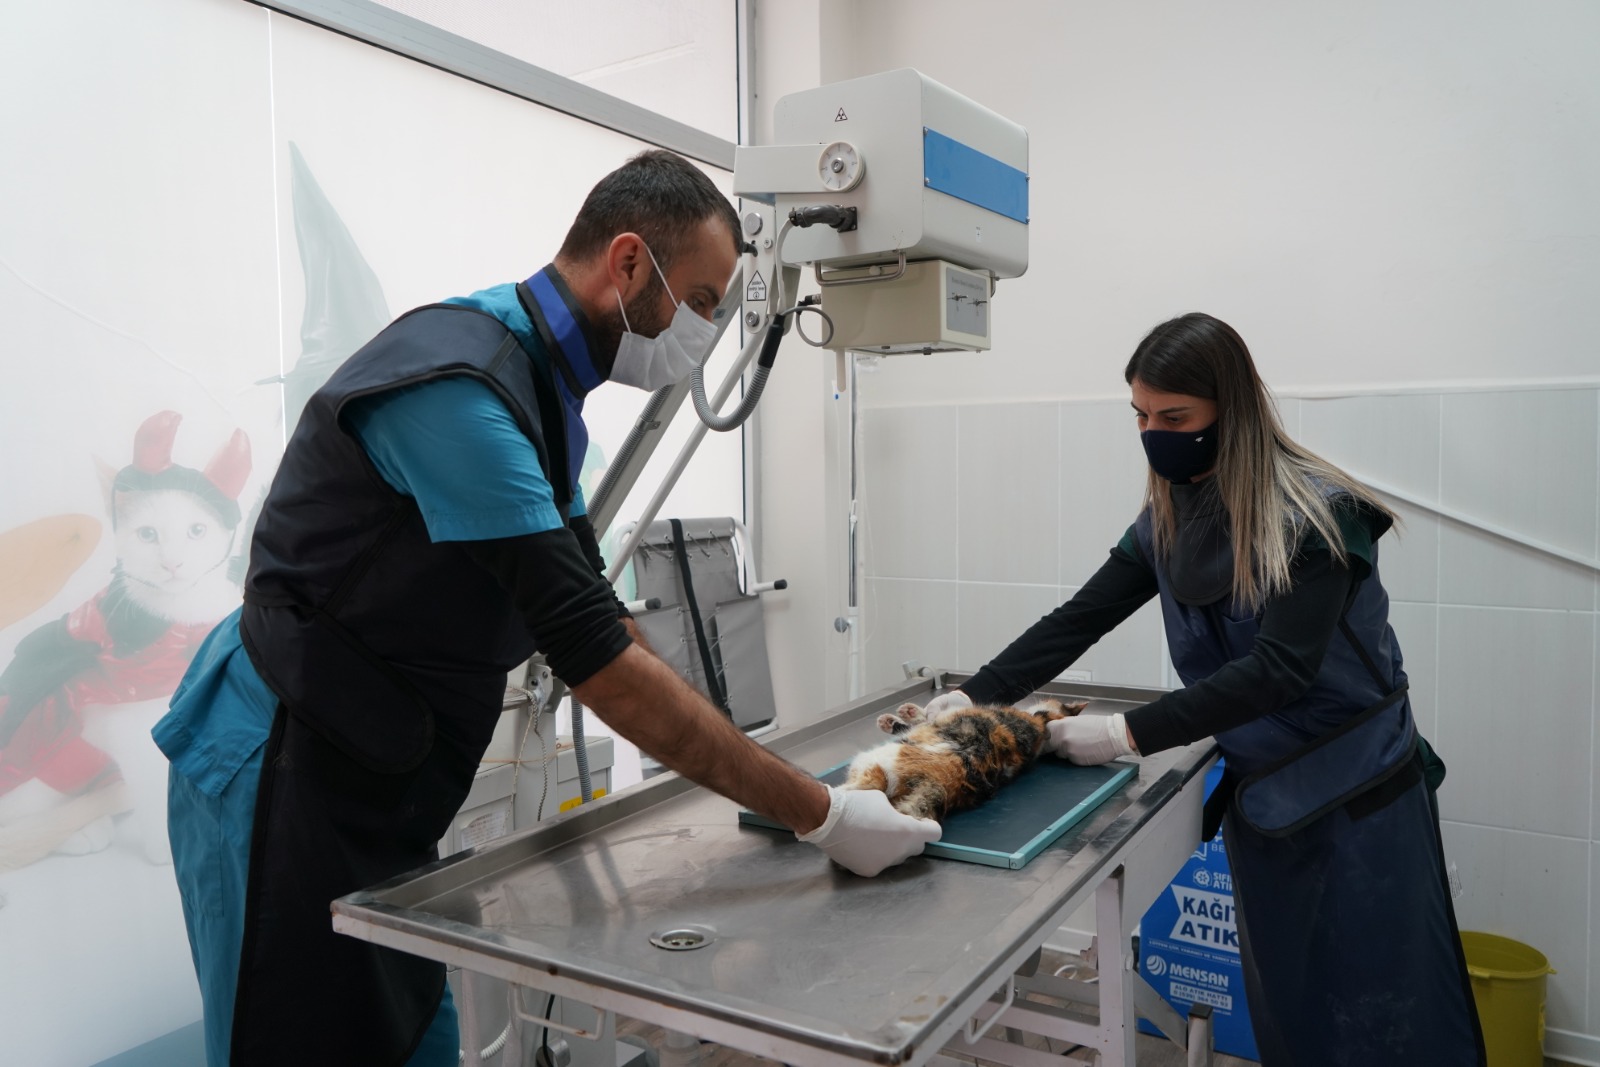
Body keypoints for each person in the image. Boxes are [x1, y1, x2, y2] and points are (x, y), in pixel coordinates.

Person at [154, 149, 940, 1067]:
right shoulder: (459, 390)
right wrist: (822, 813)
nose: (703, 332)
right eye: (700, 301)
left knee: (410, 1035)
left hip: (376, 766)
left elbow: (597, 606)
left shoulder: (540, 382)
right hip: (282, 758)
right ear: (629, 262)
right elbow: (596, 658)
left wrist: (748, 772)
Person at [928, 312, 1485, 1066]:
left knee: (1386, 1017)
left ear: (1232, 410)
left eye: (1175, 418)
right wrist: (977, 696)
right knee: (1291, 1010)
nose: (1154, 434)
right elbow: (1079, 619)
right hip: (1269, 803)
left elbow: (1279, 669)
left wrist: (1125, 733)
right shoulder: (1168, 517)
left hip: (1361, 804)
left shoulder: (1317, 517)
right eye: (1141, 416)